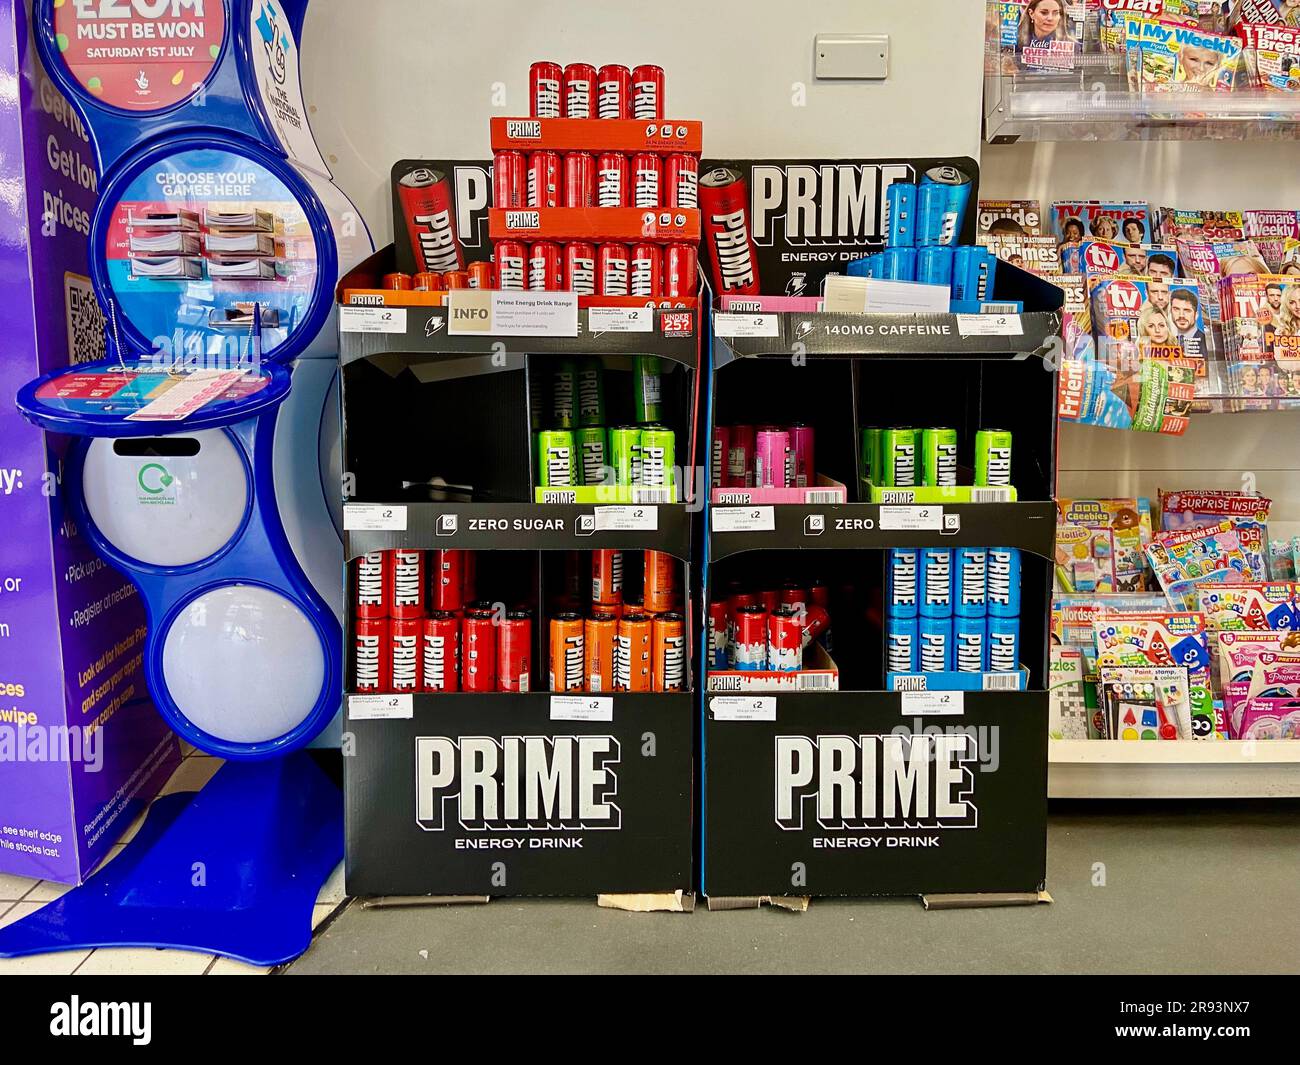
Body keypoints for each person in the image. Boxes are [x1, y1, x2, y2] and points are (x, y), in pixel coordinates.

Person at [1170, 288, 1207, 355]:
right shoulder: (1167, 340)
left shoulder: (1205, 341)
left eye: (1187, 310)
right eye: (1176, 309)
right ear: (1170, 312)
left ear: (1196, 315)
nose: (1181, 315)